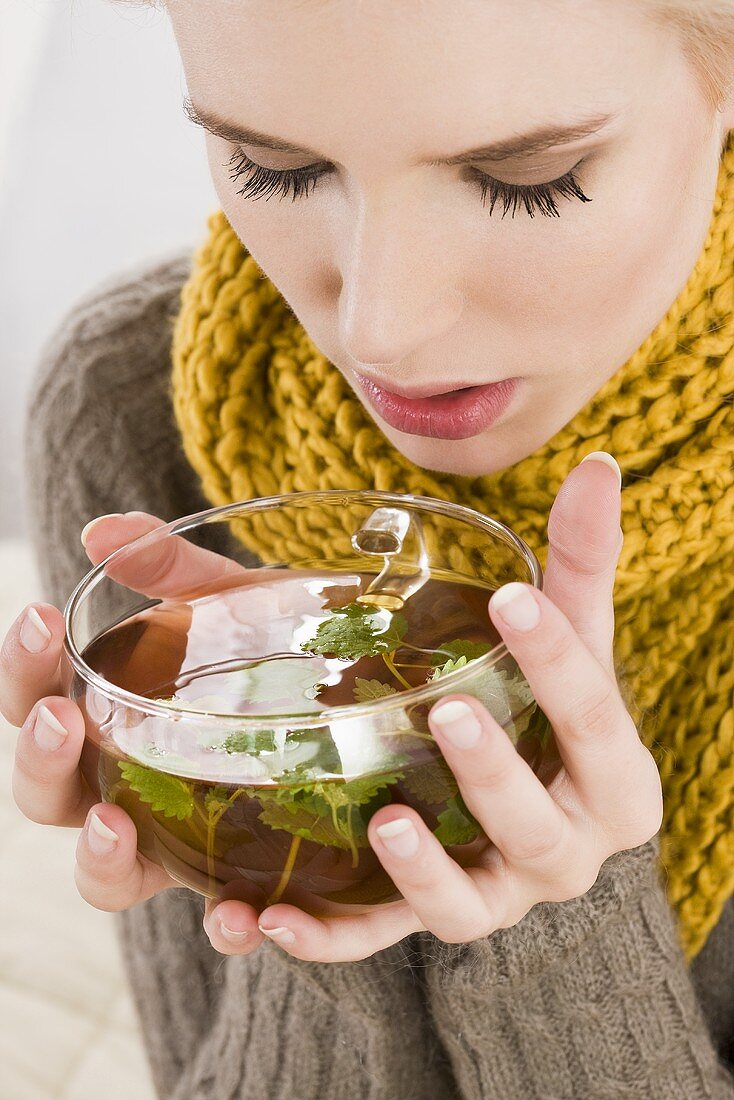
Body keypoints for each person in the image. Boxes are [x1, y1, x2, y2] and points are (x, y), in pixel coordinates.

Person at [2, 2, 733, 1096]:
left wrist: (558, 920)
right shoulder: (132, 407)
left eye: (525, 179)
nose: (379, 328)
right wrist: (292, 835)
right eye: (272, 167)